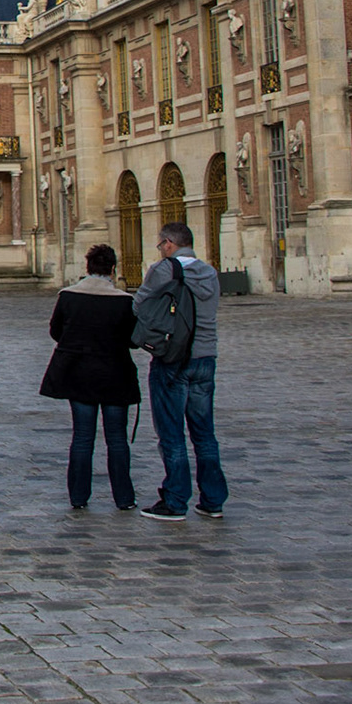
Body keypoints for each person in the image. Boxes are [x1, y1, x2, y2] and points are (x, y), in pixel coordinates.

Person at [133, 222, 226, 520]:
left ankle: (175, 499)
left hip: (173, 358)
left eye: (161, 245)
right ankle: (213, 499)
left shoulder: (164, 270)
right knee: (205, 434)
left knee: (172, 433)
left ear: (169, 244)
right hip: (206, 358)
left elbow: (139, 306)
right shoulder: (210, 273)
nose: (160, 250)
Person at [40, 244, 140, 511]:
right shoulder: (124, 301)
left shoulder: (69, 297)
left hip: (79, 373)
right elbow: (132, 340)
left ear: (88, 268)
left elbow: (56, 331)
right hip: (114, 374)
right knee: (117, 439)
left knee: (83, 437)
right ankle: (124, 497)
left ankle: (78, 496)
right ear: (113, 269)